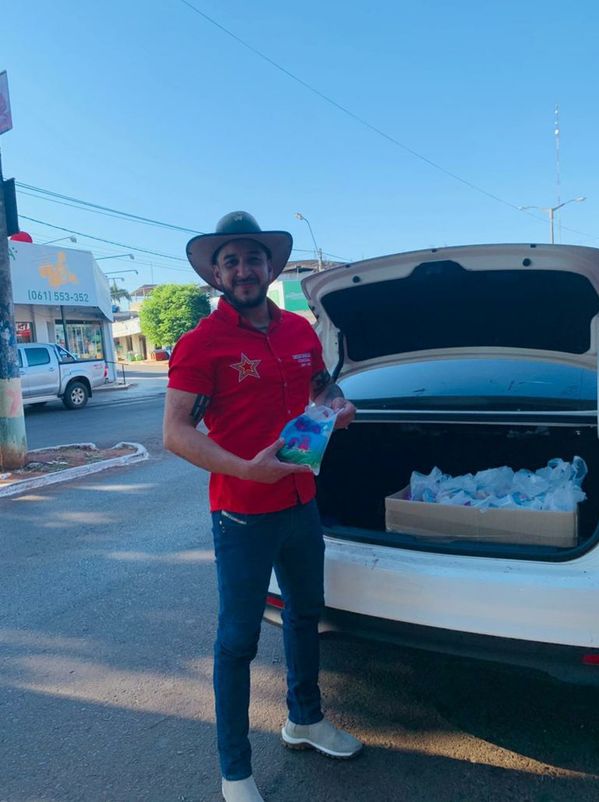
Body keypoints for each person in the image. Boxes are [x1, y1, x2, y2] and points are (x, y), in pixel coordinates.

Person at [163, 211, 362, 802]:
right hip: (242, 513)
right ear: (217, 275)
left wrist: (338, 406)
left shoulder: (301, 331)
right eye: (231, 261)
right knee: (238, 640)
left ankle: (304, 719)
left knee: (305, 616)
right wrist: (246, 467)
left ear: (270, 267)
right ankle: (235, 771)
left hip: (302, 501)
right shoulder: (202, 344)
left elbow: (323, 387)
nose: (244, 270)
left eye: (253, 259)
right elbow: (176, 432)